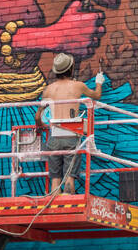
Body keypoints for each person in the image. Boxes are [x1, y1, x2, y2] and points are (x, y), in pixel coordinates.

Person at [37, 53, 104, 195]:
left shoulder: (49, 89)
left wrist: (41, 125)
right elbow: (97, 95)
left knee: (55, 179)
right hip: (71, 135)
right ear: (71, 69)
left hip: (54, 137)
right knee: (69, 178)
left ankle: (56, 209)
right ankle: (69, 202)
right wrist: (99, 81)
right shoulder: (78, 86)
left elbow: (38, 116)